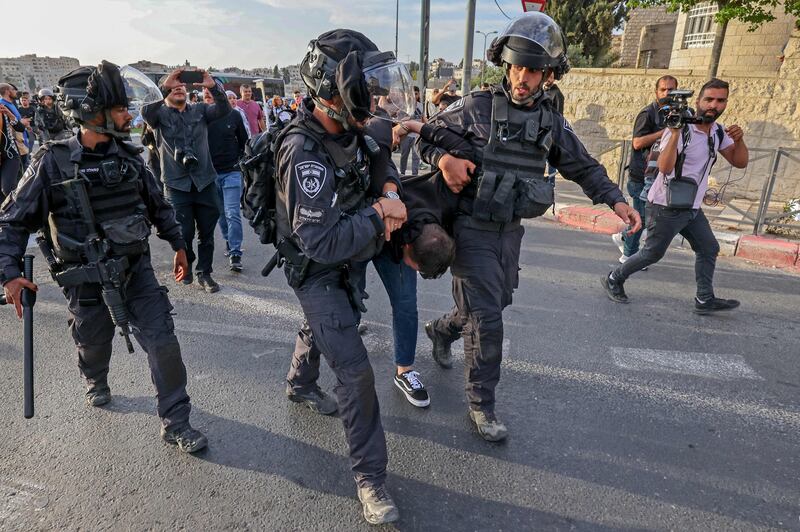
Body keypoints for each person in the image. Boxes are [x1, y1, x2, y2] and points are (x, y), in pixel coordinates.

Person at [419, 12, 641, 442]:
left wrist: (616, 200)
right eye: (518, 67)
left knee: (484, 309)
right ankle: (482, 404)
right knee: (487, 321)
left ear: (549, 75)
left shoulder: (550, 122)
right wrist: (443, 160)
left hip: (509, 231)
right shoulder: (475, 106)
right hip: (470, 228)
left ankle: (440, 330)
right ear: (505, 64)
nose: (523, 77)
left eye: (534, 70)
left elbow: (583, 166)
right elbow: (424, 136)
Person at [0, 61, 207, 453]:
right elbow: (13, 221)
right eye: (119, 109)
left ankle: (176, 419)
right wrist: (9, 273)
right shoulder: (52, 160)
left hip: (135, 270)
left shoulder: (130, 156)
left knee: (163, 342)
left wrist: (180, 245)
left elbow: (158, 205)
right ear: (91, 112)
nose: (129, 115)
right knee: (92, 342)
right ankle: (95, 378)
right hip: (84, 276)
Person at [274, 29, 414, 525]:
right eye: (363, 87)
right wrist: (381, 213)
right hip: (318, 269)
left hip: (350, 260)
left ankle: (298, 382)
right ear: (333, 90)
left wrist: (390, 187)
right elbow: (321, 241)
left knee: (325, 328)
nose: (373, 98)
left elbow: (380, 160)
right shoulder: (303, 154)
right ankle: (371, 480)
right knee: (354, 370)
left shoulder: (354, 130)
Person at [602, 78, 748, 314]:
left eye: (720, 101)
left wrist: (739, 140)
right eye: (709, 99)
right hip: (664, 205)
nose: (714, 105)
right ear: (699, 101)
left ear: (726, 104)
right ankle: (613, 278)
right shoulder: (680, 129)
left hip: (691, 207)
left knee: (708, 247)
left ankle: (704, 298)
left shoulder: (718, 132)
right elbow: (664, 167)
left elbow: (740, 162)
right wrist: (675, 132)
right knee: (652, 253)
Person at [142, 68, 231, 293]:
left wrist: (212, 86)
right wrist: (164, 86)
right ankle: (188, 264)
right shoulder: (158, 116)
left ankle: (205, 273)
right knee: (184, 232)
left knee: (207, 233)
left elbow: (224, 108)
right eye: (174, 87)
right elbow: (145, 111)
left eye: (181, 86)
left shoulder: (200, 110)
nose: (179, 88)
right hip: (176, 184)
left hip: (204, 181)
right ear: (166, 92)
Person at [612, 75, 678, 263]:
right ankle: (629, 255)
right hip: (641, 176)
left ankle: (624, 236)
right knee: (640, 217)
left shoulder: (675, 114)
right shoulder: (648, 113)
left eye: (671, 90)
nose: (667, 93)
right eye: (663, 89)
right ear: (656, 92)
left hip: (660, 177)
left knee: (650, 218)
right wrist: (665, 133)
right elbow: (637, 142)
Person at [202, 87, 248, 272]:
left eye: (210, 93)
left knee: (232, 212)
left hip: (232, 172)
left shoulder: (234, 116)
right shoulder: (201, 117)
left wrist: (239, 163)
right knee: (221, 214)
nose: (208, 97)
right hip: (211, 174)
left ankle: (235, 252)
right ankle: (230, 241)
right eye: (205, 95)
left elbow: (244, 141)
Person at [0, 84, 29, 199]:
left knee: (8, 188)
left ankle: (21, 211)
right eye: (13, 89)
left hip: (9, 155)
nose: (15, 91)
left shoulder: (2, 108)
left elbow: (20, 128)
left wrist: (9, 114)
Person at [544, 73, 564, 186]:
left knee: (551, 160)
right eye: (547, 77)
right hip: (541, 130)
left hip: (551, 133)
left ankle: (551, 184)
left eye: (551, 77)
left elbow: (559, 116)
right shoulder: (542, 91)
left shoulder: (557, 93)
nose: (548, 79)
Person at [398, 86, 423, 176]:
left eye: (416, 94)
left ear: (418, 94)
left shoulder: (421, 105)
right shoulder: (405, 105)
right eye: (412, 94)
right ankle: (402, 173)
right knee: (404, 155)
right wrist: (407, 118)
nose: (414, 96)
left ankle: (414, 175)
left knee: (416, 157)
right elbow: (399, 120)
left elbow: (422, 119)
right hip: (406, 134)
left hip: (417, 135)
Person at [17, 93, 36, 169]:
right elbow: (20, 119)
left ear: (28, 101)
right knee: (26, 143)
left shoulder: (32, 108)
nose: (23, 102)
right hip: (23, 128)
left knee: (32, 141)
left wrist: (27, 120)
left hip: (33, 127)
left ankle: (29, 155)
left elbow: (34, 118)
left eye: (25, 100)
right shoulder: (19, 110)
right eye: (22, 100)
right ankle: (27, 158)